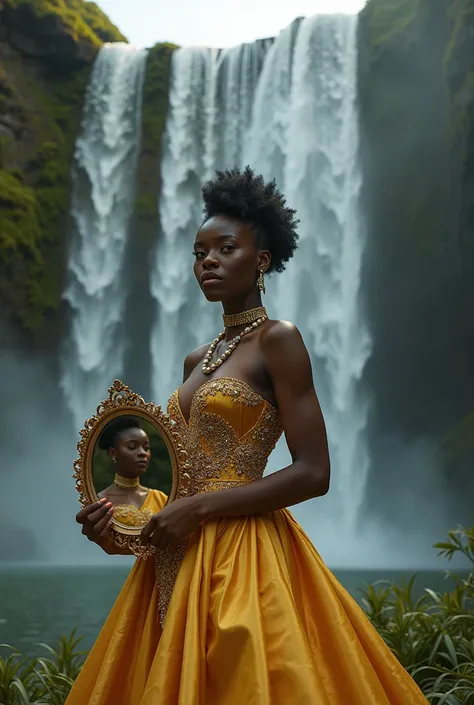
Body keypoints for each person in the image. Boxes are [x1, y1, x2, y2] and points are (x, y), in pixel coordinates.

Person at [68, 167, 429, 704]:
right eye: (199, 251)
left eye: (225, 248)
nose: (207, 261)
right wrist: (122, 529)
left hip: (245, 553)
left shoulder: (278, 340)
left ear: (261, 261)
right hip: (174, 559)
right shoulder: (197, 358)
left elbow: (314, 472)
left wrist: (202, 509)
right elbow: (183, 479)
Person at [95, 416, 167, 532]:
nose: (142, 453)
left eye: (146, 448)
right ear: (113, 453)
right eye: (132, 447)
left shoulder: (160, 498)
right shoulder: (100, 502)